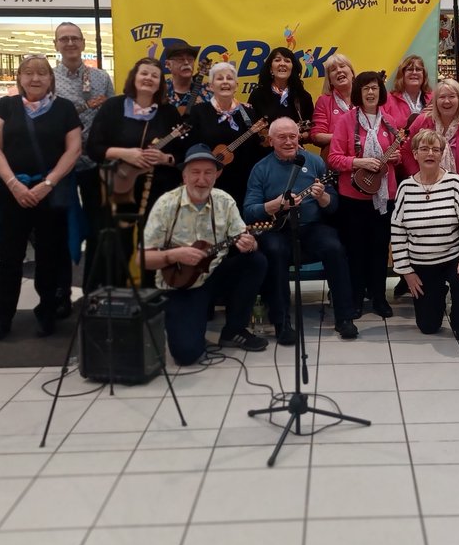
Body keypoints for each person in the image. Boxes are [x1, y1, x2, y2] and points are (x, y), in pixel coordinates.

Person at [0, 54, 83, 342]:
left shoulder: (64, 109)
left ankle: (47, 313)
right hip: (12, 193)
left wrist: (48, 183)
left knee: (49, 257)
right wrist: (13, 184)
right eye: (28, 72)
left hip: (50, 193)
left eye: (42, 73)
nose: (35, 78)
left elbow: (73, 149)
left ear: (51, 78)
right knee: (9, 258)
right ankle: (3, 317)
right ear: (20, 77)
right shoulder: (5, 106)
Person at [143, 144, 269, 364]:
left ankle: (234, 329)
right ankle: (185, 320)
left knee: (255, 260)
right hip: (182, 283)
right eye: (195, 172)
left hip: (214, 273)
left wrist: (249, 243)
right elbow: (142, 259)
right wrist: (174, 255)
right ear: (184, 175)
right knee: (186, 355)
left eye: (208, 172)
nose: (201, 179)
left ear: (216, 175)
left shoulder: (224, 200)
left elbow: (242, 236)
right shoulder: (166, 204)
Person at [244, 117, 355, 343]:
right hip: (277, 230)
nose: (288, 142)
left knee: (334, 247)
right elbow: (249, 210)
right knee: (274, 252)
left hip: (310, 227)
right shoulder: (261, 168)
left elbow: (333, 205)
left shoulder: (314, 162)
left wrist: (323, 197)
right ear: (271, 140)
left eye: (292, 136)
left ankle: (345, 317)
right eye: (282, 137)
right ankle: (282, 322)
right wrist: (273, 206)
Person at [86, 57, 185, 288]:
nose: (148, 78)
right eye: (144, 73)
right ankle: (119, 295)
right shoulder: (113, 107)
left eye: (154, 75)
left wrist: (165, 158)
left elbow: (181, 153)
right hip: (120, 187)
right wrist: (124, 153)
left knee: (153, 242)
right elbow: (93, 148)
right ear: (134, 77)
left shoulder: (168, 113)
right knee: (118, 243)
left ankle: (152, 294)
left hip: (158, 188)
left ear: (160, 82)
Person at [327, 70, 404, 321]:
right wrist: (359, 162)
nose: (371, 92)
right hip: (353, 198)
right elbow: (334, 158)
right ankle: (356, 298)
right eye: (366, 88)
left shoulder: (390, 122)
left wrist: (395, 157)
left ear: (381, 92)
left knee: (380, 249)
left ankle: (379, 298)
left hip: (383, 198)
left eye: (375, 88)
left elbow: (397, 155)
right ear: (359, 93)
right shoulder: (346, 121)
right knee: (356, 250)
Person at [391, 129, 459, 343]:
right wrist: (407, 272)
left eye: (435, 149)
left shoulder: (454, 183)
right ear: (415, 154)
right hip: (421, 265)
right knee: (428, 327)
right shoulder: (405, 187)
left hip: (452, 258)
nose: (430, 153)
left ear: (442, 154)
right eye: (424, 149)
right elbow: (397, 232)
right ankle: (438, 298)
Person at [51, 22, 114, 304]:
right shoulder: (48, 79)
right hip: (61, 163)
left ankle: (94, 287)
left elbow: (113, 116)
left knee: (98, 227)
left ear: (83, 43)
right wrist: (84, 106)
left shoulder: (101, 78)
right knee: (61, 227)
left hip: (94, 164)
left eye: (74, 38)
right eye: (63, 39)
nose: (70, 43)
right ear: (56, 45)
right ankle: (61, 290)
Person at [184, 61, 266, 207]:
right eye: (219, 78)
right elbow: (189, 148)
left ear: (236, 85)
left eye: (229, 78)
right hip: (208, 184)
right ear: (210, 86)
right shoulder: (198, 112)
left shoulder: (248, 113)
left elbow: (256, 150)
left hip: (242, 185)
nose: (225, 82)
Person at [405, 78, 459, 203]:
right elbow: (405, 150)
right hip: (422, 193)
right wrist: (419, 181)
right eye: (442, 97)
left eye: (452, 96)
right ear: (435, 101)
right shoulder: (422, 121)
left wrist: (455, 193)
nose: (447, 101)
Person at [247, 46, 314, 141]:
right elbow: (249, 130)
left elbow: (312, 130)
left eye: (287, 61)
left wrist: (301, 136)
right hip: (264, 153)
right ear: (270, 68)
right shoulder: (257, 95)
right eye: (277, 60)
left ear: (293, 68)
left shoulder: (303, 96)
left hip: (294, 150)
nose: (282, 64)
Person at [310, 52, 356, 157]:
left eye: (342, 66)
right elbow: (316, 136)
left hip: (366, 162)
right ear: (330, 80)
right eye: (333, 69)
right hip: (335, 161)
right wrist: (346, 136)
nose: (339, 70)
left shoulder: (365, 97)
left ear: (352, 73)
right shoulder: (324, 101)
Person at [163, 39, 212, 115]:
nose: (186, 62)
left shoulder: (209, 91)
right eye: (180, 59)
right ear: (168, 64)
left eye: (190, 59)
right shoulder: (160, 91)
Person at [383, 55, 432, 129]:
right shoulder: (388, 100)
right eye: (410, 69)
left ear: (424, 75)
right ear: (402, 74)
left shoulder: (434, 99)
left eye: (418, 69)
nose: (414, 72)